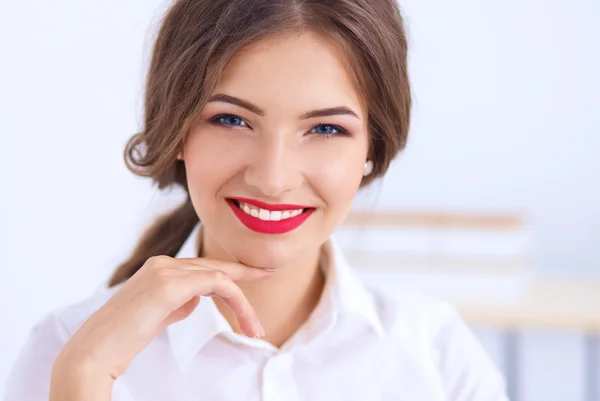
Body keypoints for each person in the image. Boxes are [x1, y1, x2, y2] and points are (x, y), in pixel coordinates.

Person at [4, 0, 510, 400]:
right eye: (231, 119)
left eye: (327, 128)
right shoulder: (68, 351)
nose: (272, 178)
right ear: (178, 129)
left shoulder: (437, 354)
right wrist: (85, 377)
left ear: (372, 150)